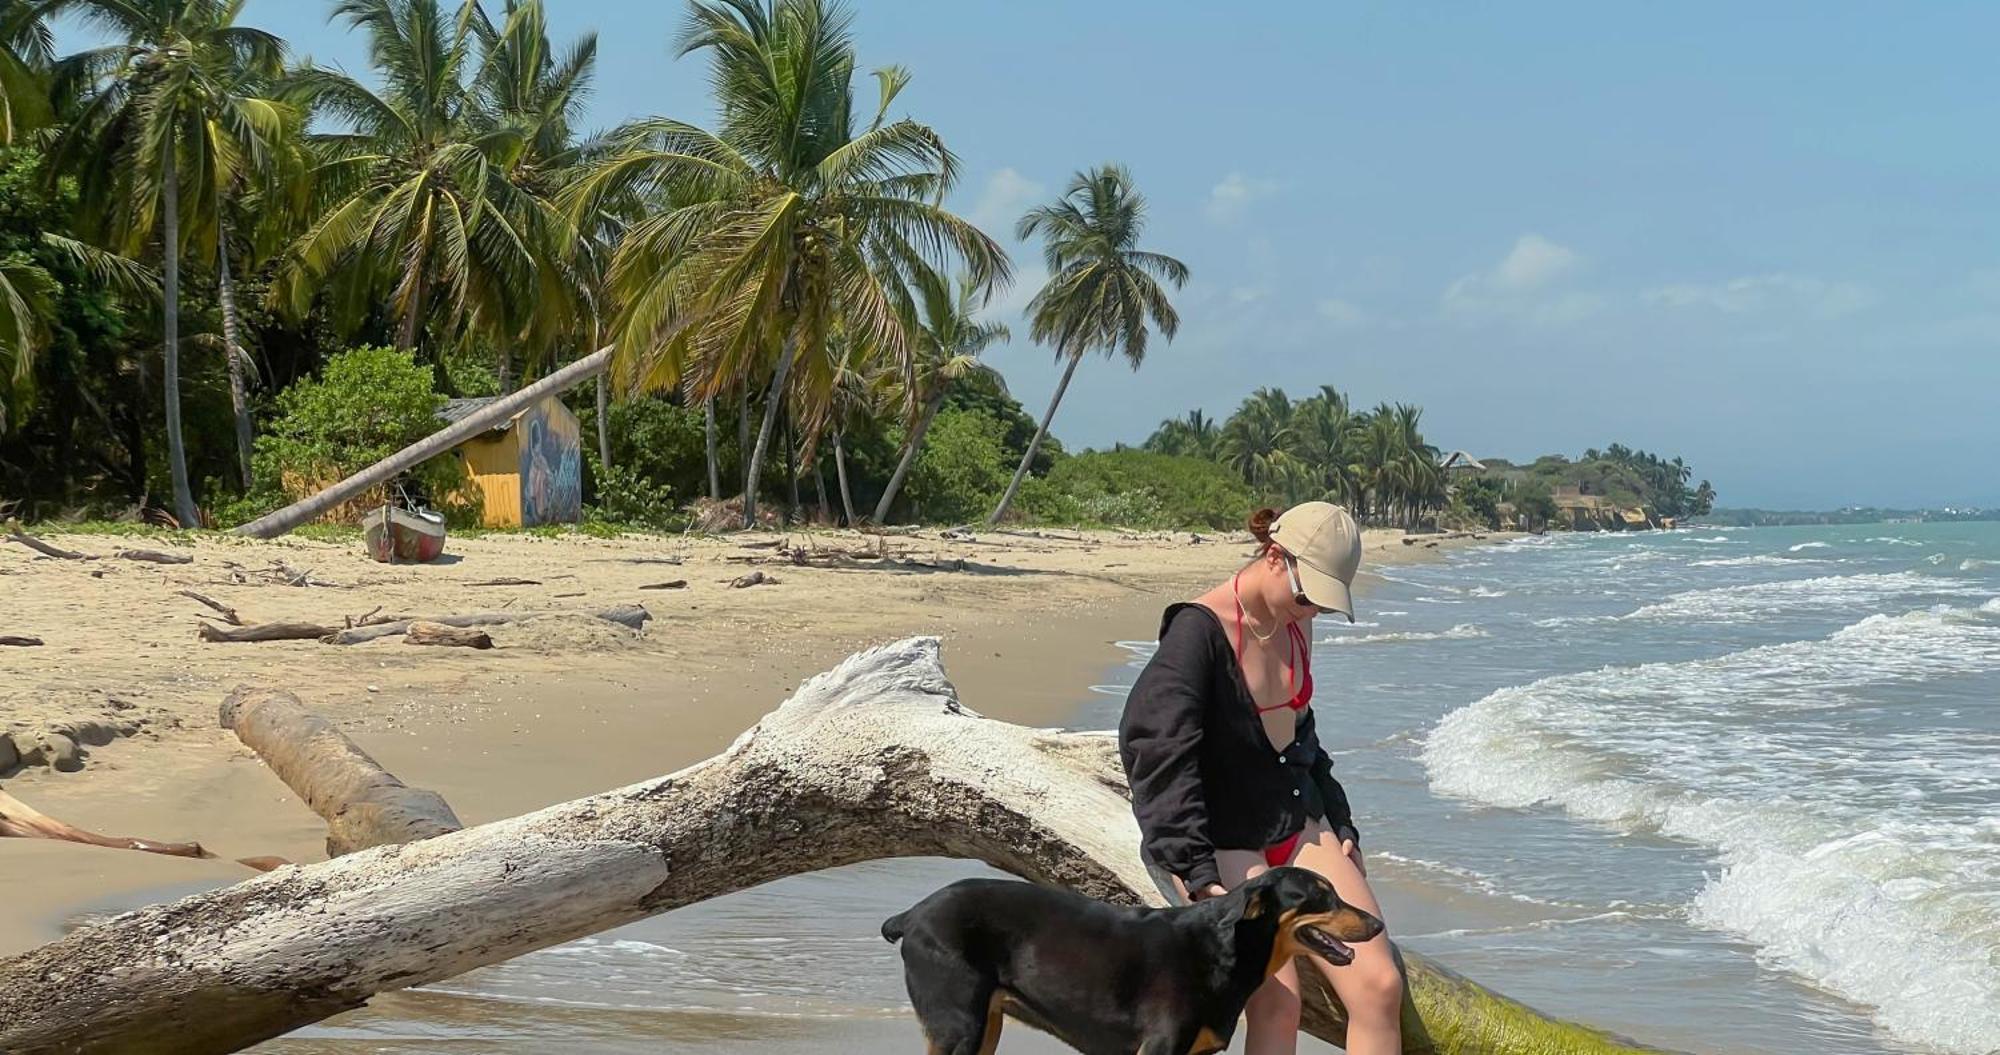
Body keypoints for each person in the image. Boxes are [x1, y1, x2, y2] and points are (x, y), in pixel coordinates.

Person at [1117, 502, 1401, 1055]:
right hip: (1223, 835)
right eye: (1307, 595)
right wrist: (1194, 868)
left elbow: (1302, 738)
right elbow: (1154, 750)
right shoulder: (1198, 634)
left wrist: (1339, 816)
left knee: (1379, 986)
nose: (1313, 610)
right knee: (1277, 1002)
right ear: (1276, 557)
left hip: (1294, 820)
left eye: (1325, 600)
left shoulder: (1295, 625)